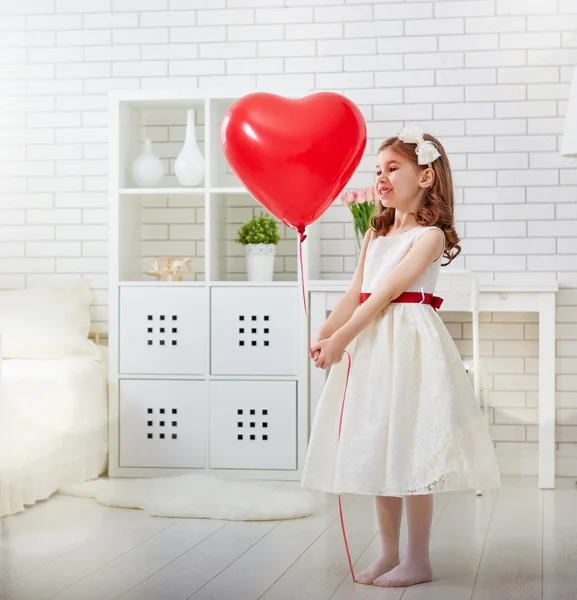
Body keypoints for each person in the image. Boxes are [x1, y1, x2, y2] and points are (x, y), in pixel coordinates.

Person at [301, 125, 501, 588]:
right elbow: (357, 292)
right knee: (379, 445)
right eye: (378, 170)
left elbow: (386, 295)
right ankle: (388, 552)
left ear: (426, 176)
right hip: (373, 347)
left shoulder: (429, 236)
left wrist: (341, 341)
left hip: (408, 346)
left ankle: (417, 558)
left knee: (409, 448)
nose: (382, 178)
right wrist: (326, 331)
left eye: (393, 168)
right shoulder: (378, 233)